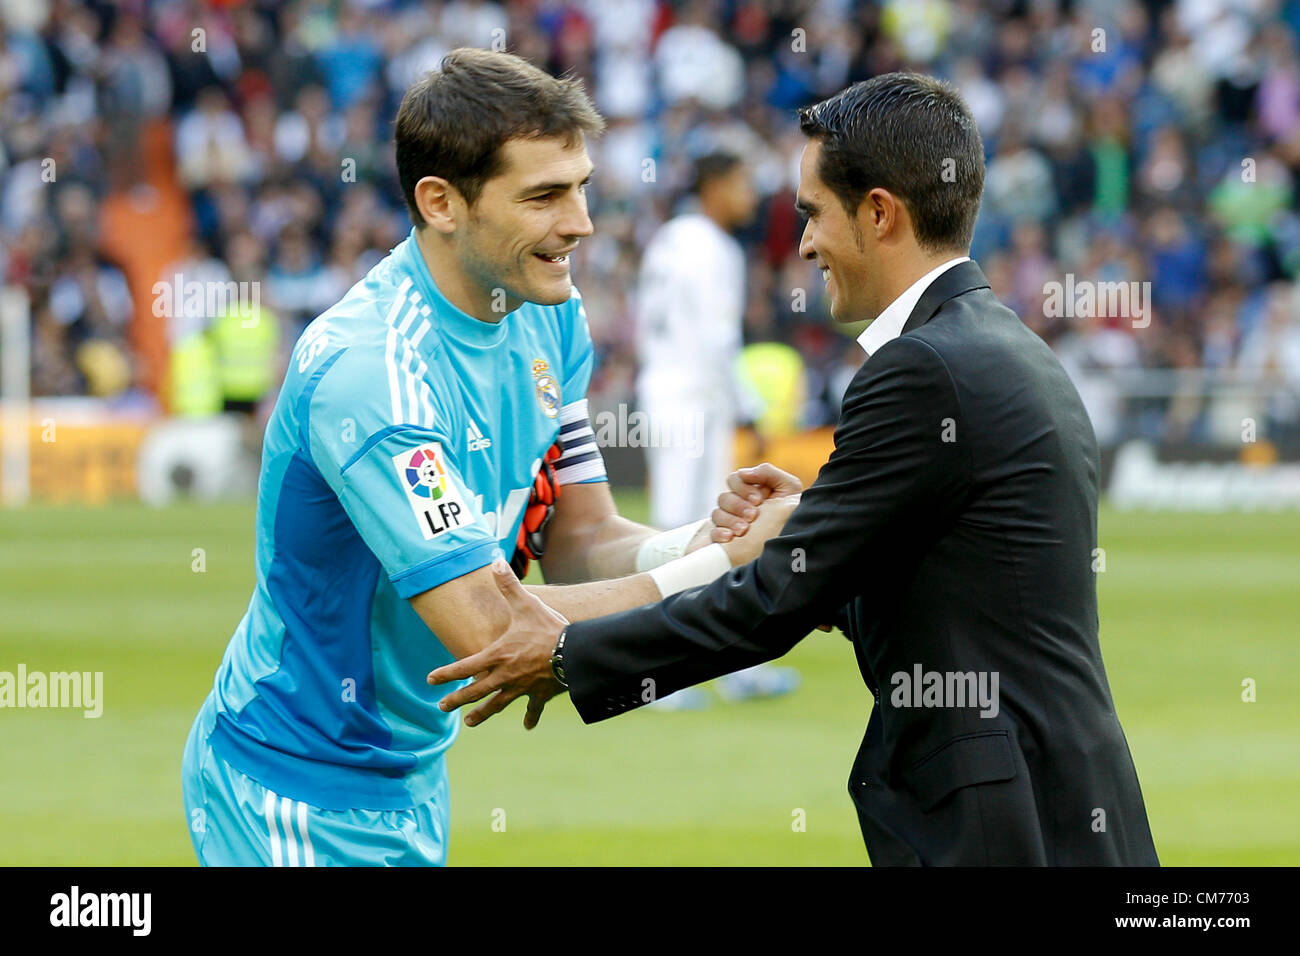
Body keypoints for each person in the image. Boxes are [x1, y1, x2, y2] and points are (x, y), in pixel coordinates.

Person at [430, 73, 1161, 867]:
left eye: (813, 214)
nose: (805, 242)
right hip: (1066, 795)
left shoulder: (921, 369)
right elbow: (956, 581)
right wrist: (820, 523)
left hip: (1004, 820)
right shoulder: (1004, 346)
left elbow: (771, 605)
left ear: (879, 213)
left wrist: (569, 653)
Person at [180, 49, 793, 867]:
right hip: (294, 784)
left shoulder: (551, 315)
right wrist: (726, 570)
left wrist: (710, 544)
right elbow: (492, 630)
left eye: (579, 186)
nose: (579, 222)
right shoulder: (372, 373)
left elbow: (579, 541)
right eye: (543, 196)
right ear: (440, 202)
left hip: (408, 779)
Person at [635, 151, 798, 707]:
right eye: (744, 183)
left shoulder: (669, 238)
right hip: (696, 393)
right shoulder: (712, 246)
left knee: (695, 528)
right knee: (695, 531)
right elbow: (718, 339)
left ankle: (723, 664)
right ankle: (660, 675)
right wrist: (750, 407)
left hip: (668, 386)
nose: (750, 197)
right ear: (717, 185)